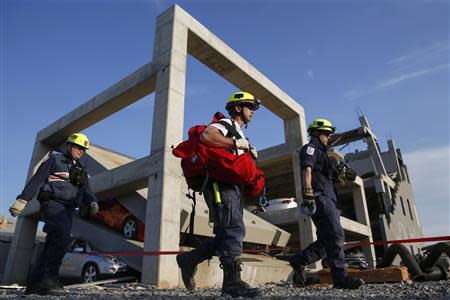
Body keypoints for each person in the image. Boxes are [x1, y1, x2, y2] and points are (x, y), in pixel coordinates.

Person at [176, 92, 261, 298]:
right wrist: (236, 144)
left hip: (230, 185)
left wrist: (246, 150)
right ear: (238, 108)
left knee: (225, 234)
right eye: (250, 107)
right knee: (233, 227)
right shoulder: (226, 124)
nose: (253, 112)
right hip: (220, 185)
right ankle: (231, 283)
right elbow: (207, 136)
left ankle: (188, 261)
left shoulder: (238, 131)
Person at [9, 133, 99, 295]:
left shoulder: (80, 170)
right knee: (62, 235)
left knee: (53, 242)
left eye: (84, 150)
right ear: (70, 145)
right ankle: (50, 277)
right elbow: (37, 179)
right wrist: (23, 200)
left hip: (68, 209)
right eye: (79, 148)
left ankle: (35, 283)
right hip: (52, 203)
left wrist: (92, 202)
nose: (81, 152)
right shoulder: (54, 160)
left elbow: (87, 190)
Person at [288, 118, 364, 289]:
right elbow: (306, 169)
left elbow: (330, 173)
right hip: (319, 197)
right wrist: (307, 193)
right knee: (336, 236)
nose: (328, 137)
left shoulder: (324, 155)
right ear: (316, 132)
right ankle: (340, 279)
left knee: (325, 241)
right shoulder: (310, 149)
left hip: (329, 198)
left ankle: (299, 260)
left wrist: (339, 172)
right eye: (326, 134)